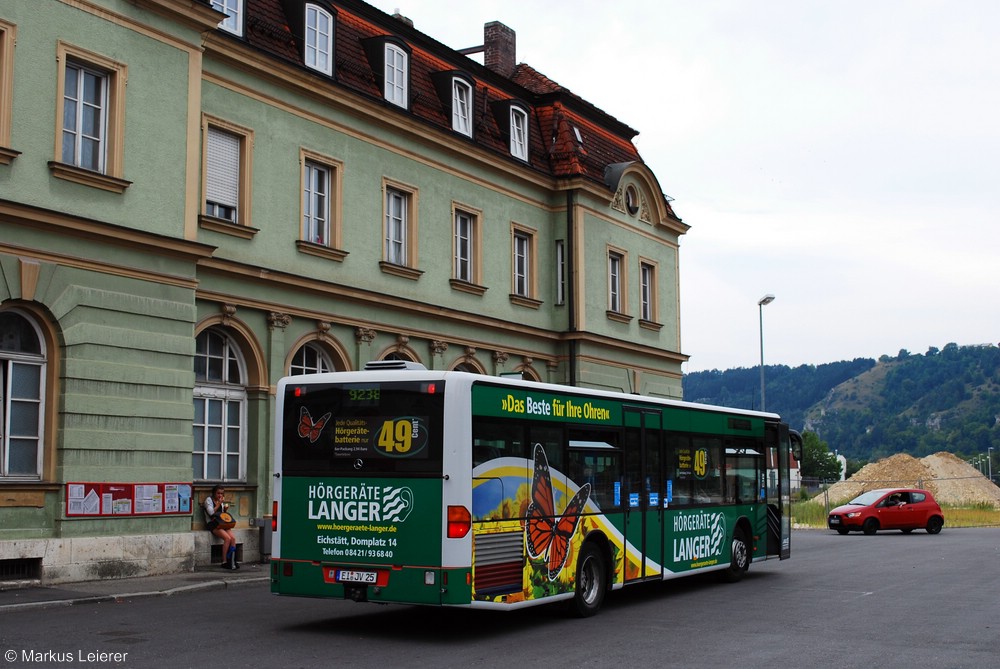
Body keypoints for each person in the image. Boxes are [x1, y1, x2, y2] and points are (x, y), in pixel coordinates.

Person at [204, 485, 239, 570]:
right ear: (214, 493)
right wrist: (219, 503)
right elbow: (211, 513)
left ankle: (232, 559)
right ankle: (224, 561)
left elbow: (222, 514)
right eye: (218, 493)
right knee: (227, 538)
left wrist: (225, 510)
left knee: (233, 538)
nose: (220, 495)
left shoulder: (221, 502)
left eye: (222, 493)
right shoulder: (208, 500)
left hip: (222, 523)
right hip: (213, 524)